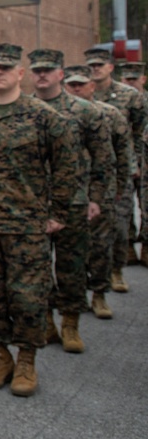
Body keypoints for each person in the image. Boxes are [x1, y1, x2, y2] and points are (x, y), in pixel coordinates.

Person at [0, 43, 78, 398]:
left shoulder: (44, 117)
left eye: (7, 68)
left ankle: (26, 359)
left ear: (20, 73)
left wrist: (58, 215)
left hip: (27, 227)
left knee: (28, 296)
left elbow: (68, 167)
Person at [28, 50, 114, 353]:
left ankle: (71, 323)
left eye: (48, 70)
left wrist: (97, 198)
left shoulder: (86, 112)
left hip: (74, 202)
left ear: (60, 74)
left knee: (72, 267)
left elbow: (104, 160)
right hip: (33, 204)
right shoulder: (22, 110)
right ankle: (47, 322)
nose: (42, 75)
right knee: (35, 269)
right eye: (37, 70)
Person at [64, 64, 133, 320]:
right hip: (67, 192)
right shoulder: (56, 114)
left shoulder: (110, 114)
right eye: (72, 85)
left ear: (92, 86)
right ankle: (73, 295)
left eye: (81, 84)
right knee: (69, 248)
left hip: (101, 189)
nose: (76, 88)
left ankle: (99, 294)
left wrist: (120, 184)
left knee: (101, 244)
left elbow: (121, 154)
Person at [86, 47, 147, 293]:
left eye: (100, 65)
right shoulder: (80, 93)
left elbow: (137, 132)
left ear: (111, 67)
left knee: (119, 224)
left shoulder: (129, 96)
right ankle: (95, 273)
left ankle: (116, 270)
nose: (95, 69)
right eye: (91, 65)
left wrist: (133, 163)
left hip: (117, 169)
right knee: (92, 227)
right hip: (88, 171)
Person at [119, 61, 148, 268]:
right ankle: (128, 244)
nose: (130, 83)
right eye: (126, 79)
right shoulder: (119, 100)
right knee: (125, 204)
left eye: (134, 79)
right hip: (126, 161)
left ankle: (146, 243)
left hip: (144, 158)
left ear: (143, 79)